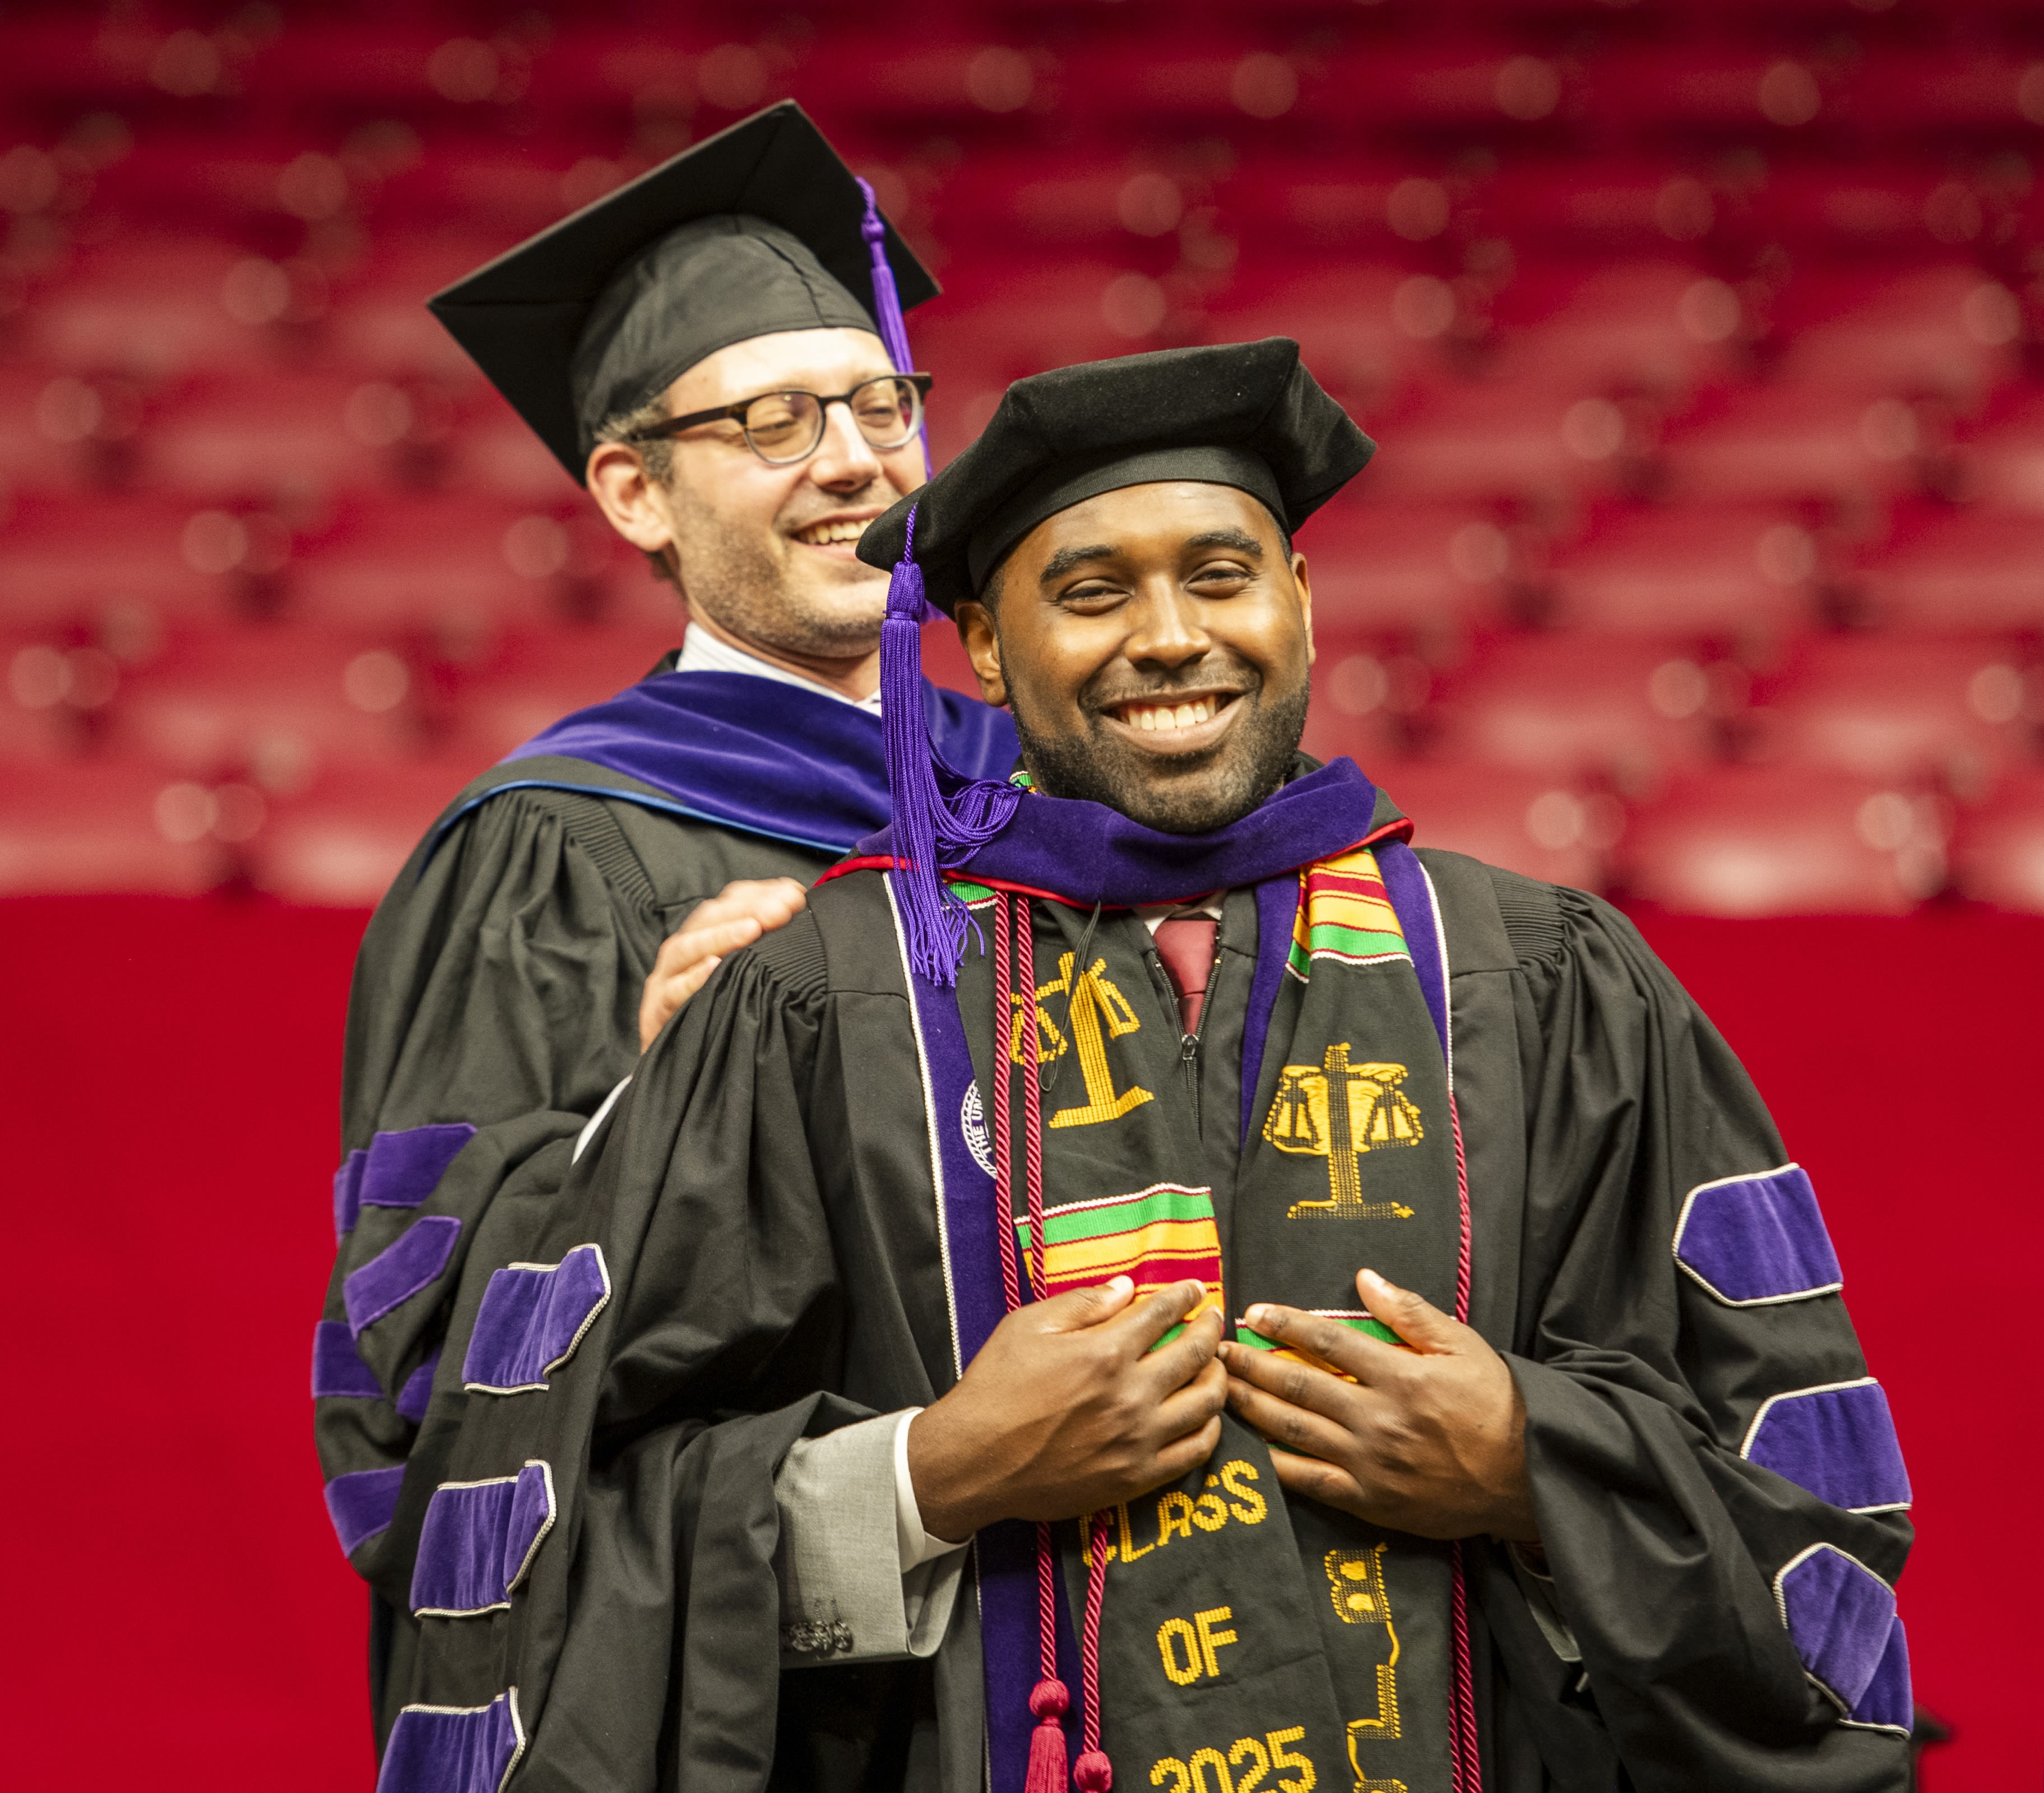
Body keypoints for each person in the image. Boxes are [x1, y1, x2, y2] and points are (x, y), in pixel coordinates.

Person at [346, 339, 1913, 1792]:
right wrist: (927, 1475)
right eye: (1088, 589)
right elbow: (549, 1532)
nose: (1168, 636)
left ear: (1299, 595)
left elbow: (1808, 1519)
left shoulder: (1544, 981)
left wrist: (1529, 1465)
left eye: (1219, 575)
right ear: (977, 640)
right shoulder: (823, 1002)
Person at [314, 101, 1018, 1695]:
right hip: (798, 1680)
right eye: (774, 420)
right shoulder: (554, 849)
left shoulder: (1047, 796)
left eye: (880, 403)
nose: (855, 460)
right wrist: (649, 1114)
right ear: (634, 494)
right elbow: (427, 1367)